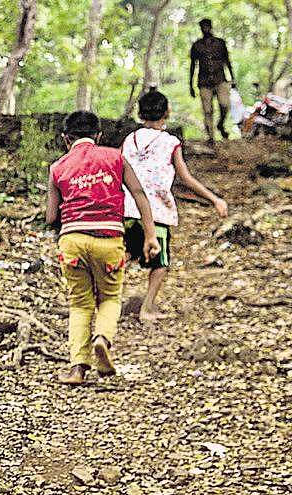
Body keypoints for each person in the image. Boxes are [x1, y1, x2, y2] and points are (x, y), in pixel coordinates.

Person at [46, 111, 160, 386]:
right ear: (98, 136)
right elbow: (140, 195)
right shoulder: (116, 158)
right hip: (109, 240)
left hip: (72, 241)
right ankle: (102, 339)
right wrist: (150, 236)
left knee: (79, 304)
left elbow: (51, 218)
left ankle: (77, 369)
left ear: (65, 138)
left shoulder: (58, 167)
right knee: (109, 298)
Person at [122, 89, 229, 322]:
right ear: (166, 113)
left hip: (127, 209)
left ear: (140, 113)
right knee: (160, 263)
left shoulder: (130, 139)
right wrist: (215, 199)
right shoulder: (171, 142)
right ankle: (147, 308)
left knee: (126, 253)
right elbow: (186, 178)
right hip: (156, 213)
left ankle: (108, 301)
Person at [189, 18, 236, 144]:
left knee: (225, 105)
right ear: (200, 28)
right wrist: (191, 85)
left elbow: (227, 61)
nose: (205, 28)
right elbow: (193, 65)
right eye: (203, 26)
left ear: (211, 26)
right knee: (207, 110)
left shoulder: (220, 43)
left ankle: (220, 124)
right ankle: (210, 137)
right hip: (204, 82)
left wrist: (233, 78)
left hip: (220, 79)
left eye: (207, 26)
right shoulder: (197, 46)